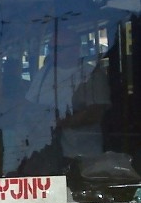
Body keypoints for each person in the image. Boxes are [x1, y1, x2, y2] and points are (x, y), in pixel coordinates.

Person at [23, 26, 109, 163]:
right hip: (46, 152)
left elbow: (95, 113)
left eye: (59, 49)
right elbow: (29, 103)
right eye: (51, 49)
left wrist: (59, 122)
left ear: (76, 48)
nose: (53, 53)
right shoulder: (44, 73)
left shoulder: (92, 74)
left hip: (83, 153)